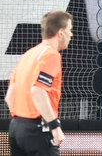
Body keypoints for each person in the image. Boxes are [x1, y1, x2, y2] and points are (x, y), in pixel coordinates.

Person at [5, 10, 73, 154]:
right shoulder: (51, 55)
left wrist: (22, 123)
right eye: (69, 30)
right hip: (38, 131)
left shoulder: (28, 54)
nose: (71, 35)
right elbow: (38, 90)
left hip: (16, 128)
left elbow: (10, 96)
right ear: (60, 33)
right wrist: (55, 126)